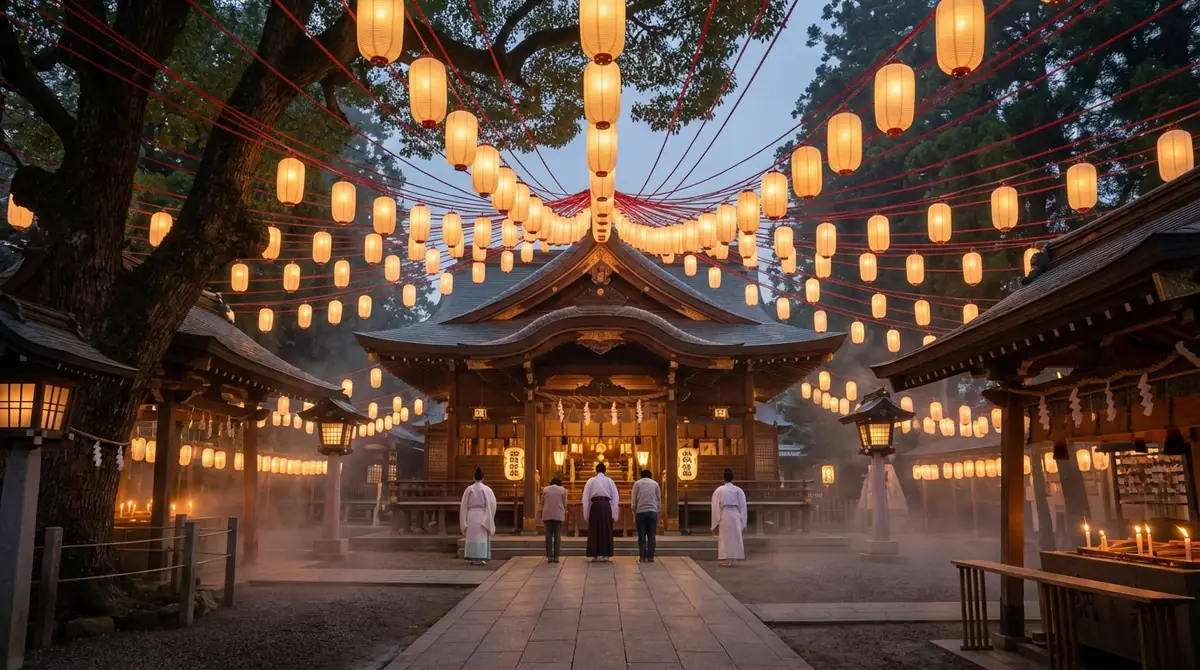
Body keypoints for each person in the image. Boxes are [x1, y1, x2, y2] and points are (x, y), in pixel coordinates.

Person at [582, 462, 619, 561]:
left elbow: (585, 498)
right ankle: (605, 554)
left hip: (595, 506)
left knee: (594, 530)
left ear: (596, 470)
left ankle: (595, 554)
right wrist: (614, 513)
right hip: (606, 506)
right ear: (605, 470)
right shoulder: (609, 481)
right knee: (606, 529)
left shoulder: (590, 481)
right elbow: (615, 497)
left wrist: (586, 514)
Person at [459, 467, 496, 566]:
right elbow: (492, 503)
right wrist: (489, 515)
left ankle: (471, 557)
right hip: (482, 514)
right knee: (481, 537)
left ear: (473, 477)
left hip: (471, 515)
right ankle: (480, 558)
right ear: (483, 478)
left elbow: (464, 504)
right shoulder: (487, 489)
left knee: (472, 536)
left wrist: (464, 518)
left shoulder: (469, 489)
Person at [711, 468, 747, 567]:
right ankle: (735, 558)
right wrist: (742, 519)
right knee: (735, 536)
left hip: (725, 513)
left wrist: (716, 520)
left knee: (725, 537)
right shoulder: (738, 490)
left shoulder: (719, 490)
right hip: (735, 513)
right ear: (732, 478)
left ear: (724, 478)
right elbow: (742, 505)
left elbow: (715, 506)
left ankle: (726, 558)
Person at [631, 469, 661, 563]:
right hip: (652, 511)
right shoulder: (655, 484)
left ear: (641, 476)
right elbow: (658, 498)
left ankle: (642, 557)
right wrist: (657, 510)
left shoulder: (637, 484)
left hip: (641, 512)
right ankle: (651, 556)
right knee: (651, 535)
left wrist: (634, 510)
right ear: (650, 476)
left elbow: (634, 499)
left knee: (642, 536)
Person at [541, 476, 567, 563]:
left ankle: (549, 556)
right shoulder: (562, 490)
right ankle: (556, 556)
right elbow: (564, 502)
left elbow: (542, 502)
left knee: (548, 535)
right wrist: (564, 510)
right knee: (557, 535)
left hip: (547, 513)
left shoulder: (545, 489)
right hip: (558, 514)